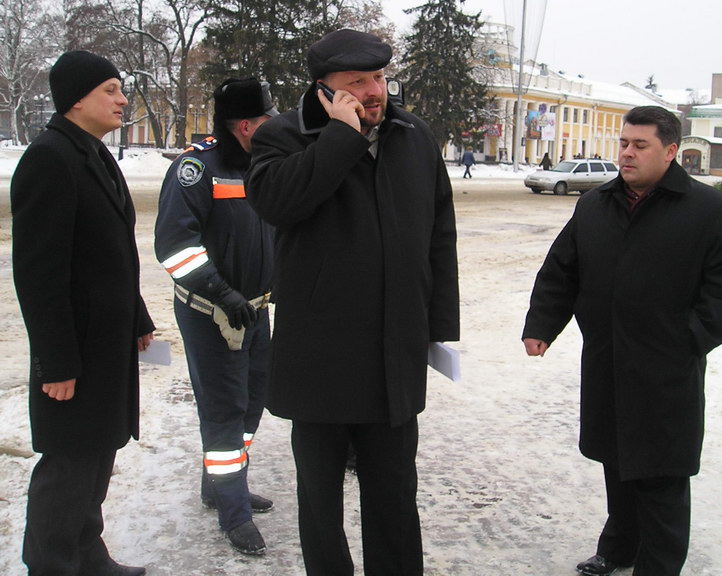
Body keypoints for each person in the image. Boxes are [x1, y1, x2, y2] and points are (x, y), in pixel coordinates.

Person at [245, 29, 460, 575]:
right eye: (357, 82)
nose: (374, 90)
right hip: (321, 354)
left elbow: (439, 234)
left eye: (379, 77)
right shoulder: (283, 136)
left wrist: (437, 325)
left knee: (395, 495)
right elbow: (278, 204)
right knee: (321, 503)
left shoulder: (413, 135)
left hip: (393, 352)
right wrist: (341, 136)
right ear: (324, 89)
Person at [521, 106, 722, 576]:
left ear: (670, 151)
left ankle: (658, 566)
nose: (627, 153)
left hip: (667, 368)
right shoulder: (596, 204)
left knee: (662, 473)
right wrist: (542, 324)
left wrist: (689, 340)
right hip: (607, 358)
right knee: (617, 461)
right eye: (624, 143)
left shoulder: (710, 211)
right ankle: (620, 546)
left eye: (640, 145)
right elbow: (562, 269)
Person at [11, 50, 155, 576]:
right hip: (73, 351)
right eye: (110, 90)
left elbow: (111, 254)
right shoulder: (50, 158)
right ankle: (51, 564)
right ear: (76, 98)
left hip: (105, 344)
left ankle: (87, 554)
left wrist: (138, 317)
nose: (123, 100)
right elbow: (39, 275)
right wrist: (57, 363)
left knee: (97, 454)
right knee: (69, 463)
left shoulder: (92, 153)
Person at [154, 78, 278, 556]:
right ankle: (234, 513)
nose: (274, 126)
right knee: (225, 412)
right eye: (266, 119)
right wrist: (223, 293)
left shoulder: (259, 164)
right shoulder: (195, 169)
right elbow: (175, 248)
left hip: (255, 310)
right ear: (245, 126)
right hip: (214, 315)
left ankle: (224, 483)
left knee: (252, 404)